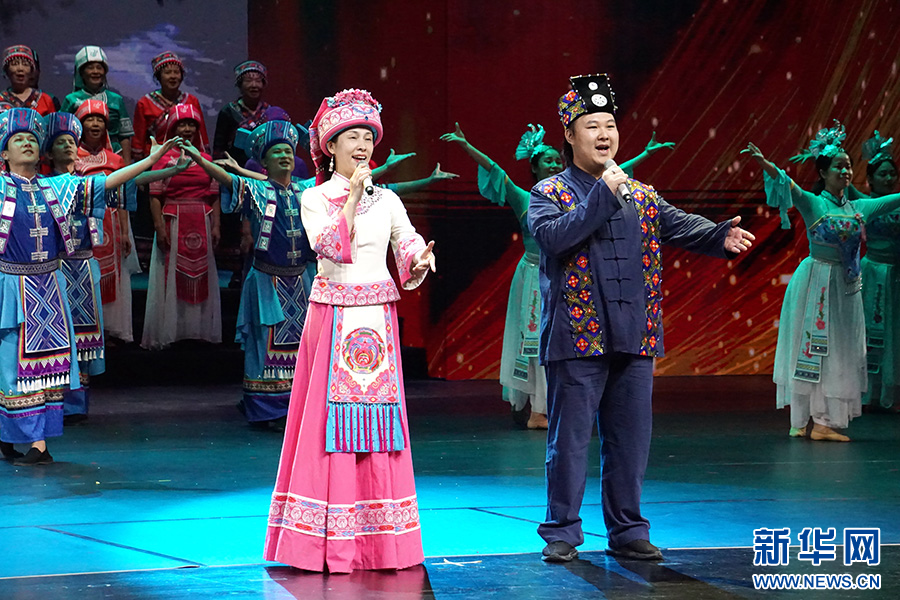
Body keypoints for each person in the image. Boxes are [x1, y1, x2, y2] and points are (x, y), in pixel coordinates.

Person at [528, 74, 755, 563]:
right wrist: (605, 194)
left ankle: (628, 528)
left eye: (610, 125)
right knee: (569, 442)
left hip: (635, 334)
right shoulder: (549, 192)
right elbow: (554, 238)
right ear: (569, 134)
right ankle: (562, 530)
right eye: (593, 126)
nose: (605, 134)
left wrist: (718, 235)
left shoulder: (640, 193)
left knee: (630, 440)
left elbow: (679, 224)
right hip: (578, 335)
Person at [263, 88, 435, 572]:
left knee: (379, 426)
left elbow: (405, 241)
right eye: (352, 136)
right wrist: (354, 196)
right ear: (331, 145)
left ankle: (380, 541)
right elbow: (328, 246)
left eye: (367, 136)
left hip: (377, 319)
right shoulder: (313, 197)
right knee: (329, 426)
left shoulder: (390, 199)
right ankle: (327, 542)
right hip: (333, 319)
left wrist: (418, 257)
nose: (362, 145)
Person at [442, 123, 674, 430]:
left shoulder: (574, 193)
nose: (554, 164)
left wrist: (645, 154)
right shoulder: (525, 197)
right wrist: (465, 145)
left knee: (565, 342)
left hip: (565, 274)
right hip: (532, 277)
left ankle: (555, 408)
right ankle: (537, 410)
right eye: (547, 161)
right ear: (534, 167)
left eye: (556, 160)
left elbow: (613, 175)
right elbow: (495, 169)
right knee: (534, 342)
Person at [0, 108, 180, 465]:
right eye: (18, 139)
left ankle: (38, 443)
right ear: (4, 152)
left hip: (49, 286)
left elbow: (109, 182)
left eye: (32, 139)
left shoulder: (57, 187)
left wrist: (151, 160)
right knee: (9, 365)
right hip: (11, 287)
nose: (27, 144)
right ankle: (9, 435)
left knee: (44, 366)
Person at [746, 123, 900, 439]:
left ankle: (824, 420)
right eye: (839, 166)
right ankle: (804, 419)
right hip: (816, 281)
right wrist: (766, 164)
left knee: (840, 350)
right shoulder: (815, 203)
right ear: (823, 172)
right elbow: (788, 185)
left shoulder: (859, 208)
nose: (845, 171)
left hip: (845, 288)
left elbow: (893, 200)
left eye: (848, 166)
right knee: (813, 348)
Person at [182, 119, 313, 429]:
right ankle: (265, 408)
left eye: (288, 151)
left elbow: (345, 185)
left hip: (300, 282)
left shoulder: (307, 190)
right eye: (277, 152)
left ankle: (296, 407)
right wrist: (201, 160)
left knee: (301, 346)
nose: (284, 156)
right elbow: (227, 179)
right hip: (267, 281)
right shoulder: (257, 189)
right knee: (263, 344)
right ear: (264, 161)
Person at [142, 104, 222, 350]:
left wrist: (216, 225)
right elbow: (154, 195)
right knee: (171, 277)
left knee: (202, 276)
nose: (187, 129)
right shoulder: (163, 159)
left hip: (202, 220)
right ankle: (172, 331)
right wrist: (159, 227)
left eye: (191, 125)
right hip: (173, 221)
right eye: (182, 125)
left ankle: (196, 330)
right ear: (172, 128)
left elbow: (214, 195)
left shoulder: (206, 160)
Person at [73, 99, 140, 344]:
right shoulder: (72, 156)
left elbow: (121, 199)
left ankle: (109, 328)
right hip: (81, 224)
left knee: (113, 275)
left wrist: (124, 232)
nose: (95, 124)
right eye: (89, 119)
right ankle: (84, 326)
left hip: (111, 224)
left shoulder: (115, 159)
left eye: (99, 120)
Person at [860, 132, 900, 408]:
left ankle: (890, 394)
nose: (888, 178)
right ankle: (866, 393)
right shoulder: (864, 204)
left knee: (894, 332)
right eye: (882, 174)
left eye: (892, 174)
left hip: (896, 275)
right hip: (872, 273)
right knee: (869, 331)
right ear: (870, 179)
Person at [61, 46, 134, 162]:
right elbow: (62, 133)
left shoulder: (116, 99)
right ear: (82, 72)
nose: (95, 72)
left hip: (114, 156)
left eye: (99, 68)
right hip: (79, 157)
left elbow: (124, 136)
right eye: (90, 68)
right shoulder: (71, 100)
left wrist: (127, 164)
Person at [132, 52, 209, 161]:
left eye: (176, 72)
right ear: (159, 77)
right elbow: (138, 140)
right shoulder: (145, 103)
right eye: (167, 73)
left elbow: (201, 135)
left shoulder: (191, 101)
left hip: (188, 157)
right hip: (156, 159)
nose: (173, 76)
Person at [0, 45, 56, 116]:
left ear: (31, 71)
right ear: (6, 71)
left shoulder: (45, 100)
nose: (20, 68)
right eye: (14, 64)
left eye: (25, 64)